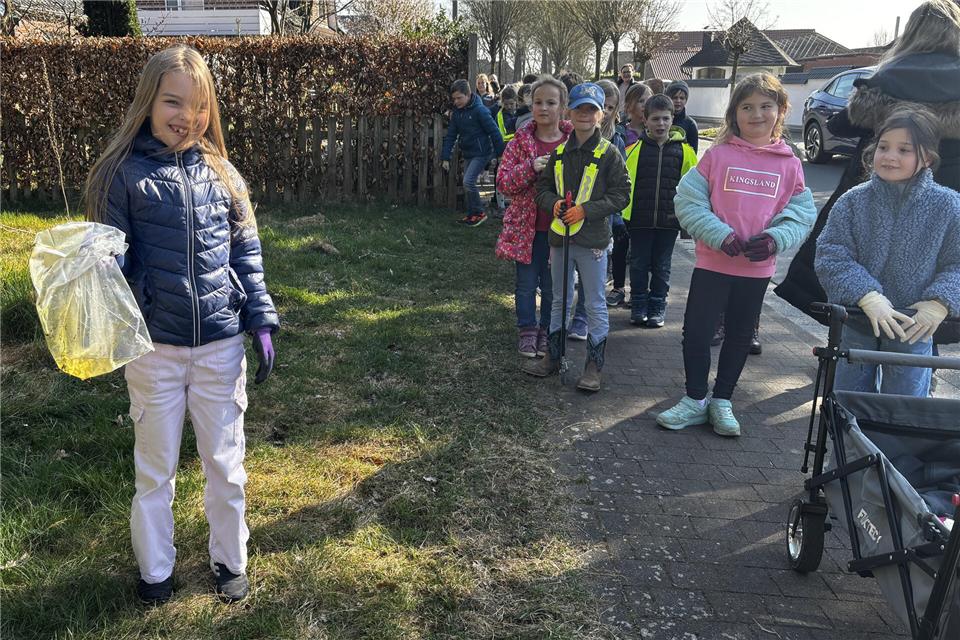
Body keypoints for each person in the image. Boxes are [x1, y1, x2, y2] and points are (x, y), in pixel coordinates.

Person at [82, 45, 279, 605]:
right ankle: (155, 571)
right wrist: (104, 267)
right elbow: (112, 259)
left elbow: (246, 252)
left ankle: (230, 559)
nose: (185, 117)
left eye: (197, 106)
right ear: (148, 101)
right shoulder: (121, 175)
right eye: (173, 102)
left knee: (226, 463)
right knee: (156, 468)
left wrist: (260, 317)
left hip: (220, 346)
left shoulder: (223, 173)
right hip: (154, 351)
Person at [776, 0, 960, 358]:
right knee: (932, 283)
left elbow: (843, 122)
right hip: (949, 193)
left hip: (878, 188)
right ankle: (919, 370)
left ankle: (853, 363)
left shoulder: (888, 75)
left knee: (860, 264)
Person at [658, 74, 816, 436]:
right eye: (747, 107)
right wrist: (719, 235)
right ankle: (695, 399)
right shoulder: (718, 155)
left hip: (756, 270)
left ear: (780, 112)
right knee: (697, 333)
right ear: (735, 113)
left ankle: (722, 400)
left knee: (740, 335)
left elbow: (801, 212)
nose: (756, 114)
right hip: (713, 263)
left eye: (765, 106)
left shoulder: (789, 164)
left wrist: (776, 238)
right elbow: (688, 200)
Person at [815, 107, 960, 396]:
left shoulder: (948, 206)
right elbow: (831, 254)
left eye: (904, 150)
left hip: (916, 325)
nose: (890, 156)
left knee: (906, 405)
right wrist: (865, 294)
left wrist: (940, 303)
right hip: (858, 319)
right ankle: (849, 441)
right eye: (883, 147)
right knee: (849, 401)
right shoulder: (853, 202)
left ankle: (895, 443)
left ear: (927, 159)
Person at [522, 83, 631, 391]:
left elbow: (622, 194)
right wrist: (553, 203)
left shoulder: (609, 154)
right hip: (560, 240)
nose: (585, 114)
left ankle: (593, 367)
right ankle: (552, 358)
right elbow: (542, 190)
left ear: (601, 115)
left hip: (593, 240)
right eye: (579, 108)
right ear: (569, 111)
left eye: (591, 110)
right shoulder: (557, 155)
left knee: (595, 303)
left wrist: (587, 210)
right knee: (557, 299)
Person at [496, 76, 573, 358]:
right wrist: (531, 167)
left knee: (553, 286)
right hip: (526, 228)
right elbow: (503, 182)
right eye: (538, 102)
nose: (543, 108)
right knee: (526, 283)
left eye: (551, 102)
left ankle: (546, 330)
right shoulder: (520, 141)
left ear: (563, 106)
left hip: (562, 228)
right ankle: (527, 330)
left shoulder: (573, 141)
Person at [621, 94, 698, 327]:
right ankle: (638, 305)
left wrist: (687, 219)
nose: (661, 124)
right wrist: (624, 215)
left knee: (662, 266)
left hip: (669, 220)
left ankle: (657, 306)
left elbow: (694, 187)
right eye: (655, 119)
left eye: (666, 119)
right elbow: (625, 183)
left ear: (672, 119)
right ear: (645, 120)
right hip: (639, 219)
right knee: (638, 264)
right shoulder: (633, 150)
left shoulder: (685, 152)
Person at [441, 78, 506, 227]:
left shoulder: (480, 110)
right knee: (468, 184)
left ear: (468, 94)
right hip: (469, 152)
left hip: (482, 152)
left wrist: (501, 153)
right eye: (454, 99)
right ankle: (472, 215)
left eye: (459, 98)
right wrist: (446, 157)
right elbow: (451, 135)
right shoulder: (457, 113)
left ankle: (479, 212)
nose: (456, 101)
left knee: (468, 181)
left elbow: (494, 131)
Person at [666, 80, 698, 153]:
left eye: (682, 98)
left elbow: (693, 153)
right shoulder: (661, 120)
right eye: (674, 97)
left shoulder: (691, 124)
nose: (678, 101)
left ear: (686, 100)